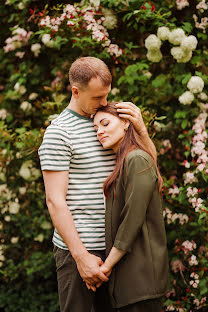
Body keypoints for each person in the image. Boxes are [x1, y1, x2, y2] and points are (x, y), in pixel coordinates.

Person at [38, 56, 157, 312]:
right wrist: (81, 258)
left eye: (106, 96)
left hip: (117, 248)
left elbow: (148, 170)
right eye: (97, 98)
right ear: (75, 91)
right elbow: (54, 200)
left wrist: (141, 129)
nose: (104, 103)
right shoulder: (59, 133)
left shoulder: (109, 121)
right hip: (79, 251)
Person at [92, 102, 170, 312]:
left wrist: (106, 267)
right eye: (96, 128)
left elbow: (132, 220)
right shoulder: (124, 161)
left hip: (141, 278)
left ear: (126, 123)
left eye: (105, 123)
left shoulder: (137, 159)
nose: (100, 131)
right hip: (129, 280)